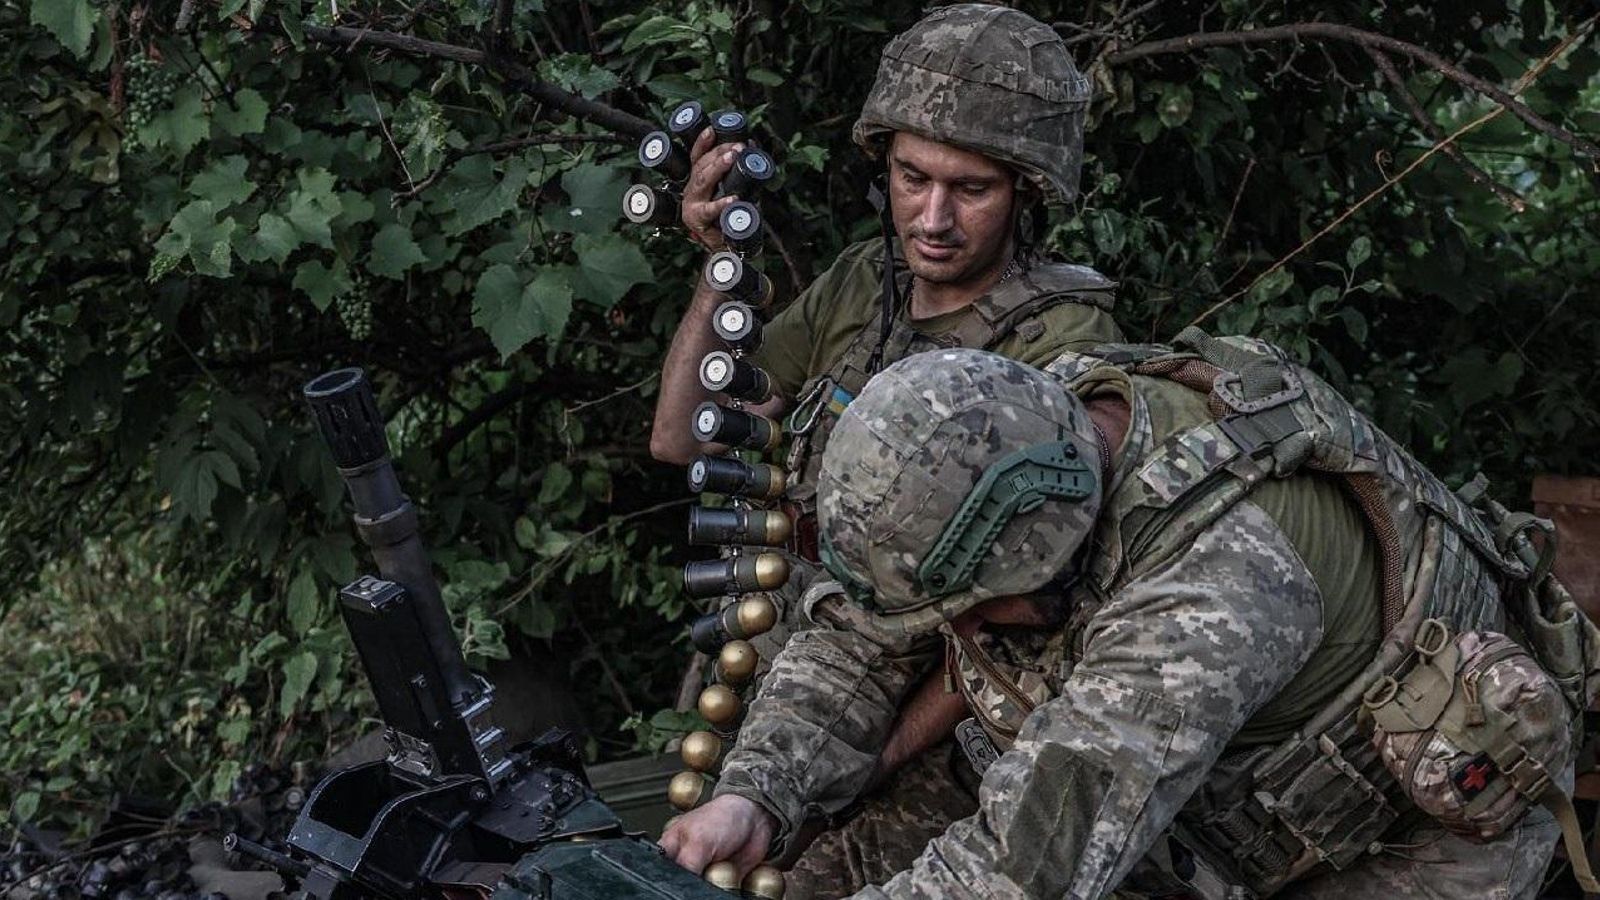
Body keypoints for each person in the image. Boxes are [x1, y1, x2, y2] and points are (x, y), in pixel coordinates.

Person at [661, 337, 1599, 899]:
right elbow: (870, 633)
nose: (971, 637)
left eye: (984, 615)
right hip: (1222, 799)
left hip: (1410, 845)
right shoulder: (1023, 422)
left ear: (1041, 563)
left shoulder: (1211, 599)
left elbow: (1024, 874)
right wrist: (758, 792)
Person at [649, 2, 1121, 582]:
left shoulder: (1062, 334)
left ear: (1027, 191)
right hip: (778, 624)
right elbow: (683, 437)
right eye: (913, 178)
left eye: (972, 189)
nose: (934, 219)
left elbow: (1042, 574)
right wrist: (723, 258)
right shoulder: (869, 278)